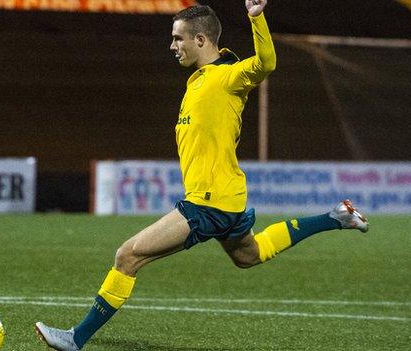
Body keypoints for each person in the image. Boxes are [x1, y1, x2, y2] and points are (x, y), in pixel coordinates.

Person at [35, 1, 369, 350]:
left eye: (178, 38)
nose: (172, 46)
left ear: (200, 39)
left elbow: (266, 63)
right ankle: (337, 217)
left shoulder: (227, 76)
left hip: (208, 202)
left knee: (128, 255)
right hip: (228, 198)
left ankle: (76, 338)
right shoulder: (197, 80)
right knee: (249, 255)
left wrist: (257, 19)